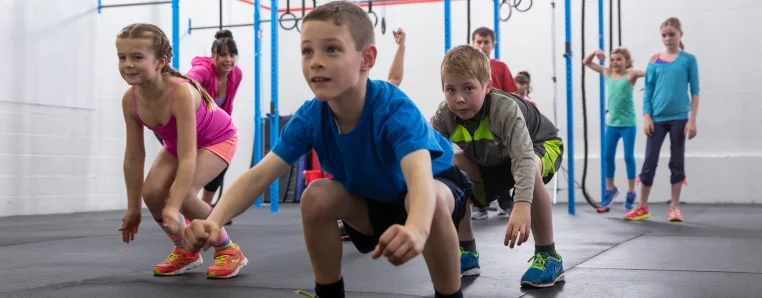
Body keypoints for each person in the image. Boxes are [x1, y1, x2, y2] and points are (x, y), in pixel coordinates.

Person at [182, 3, 472, 298]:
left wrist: (418, 229)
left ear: (366, 58)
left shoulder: (395, 109)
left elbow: (419, 177)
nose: (315, 62)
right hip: (373, 202)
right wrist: (213, 221)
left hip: (430, 194)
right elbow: (259, 176)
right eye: (307, 51)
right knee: (317, 195)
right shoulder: (310, 117)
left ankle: (449, 295)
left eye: (331, 49)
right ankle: (329, 293)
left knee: (429, 200)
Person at [115, 23, 247, 279]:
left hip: (218, 139)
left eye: (137, 57)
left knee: (184, 195)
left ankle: (228, 249)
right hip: (178, 145)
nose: (128, 64)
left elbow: (188, 157)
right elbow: (134, 156)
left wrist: (174, 206)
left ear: (160, 61)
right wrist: (133, 207)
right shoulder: (129, 100)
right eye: (122, 57)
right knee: (151, 193)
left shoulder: (180, 92)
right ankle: (185, 250)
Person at [431, 45, 565, 288]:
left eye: (468, 88)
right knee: (452, 165)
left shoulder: (504, 109)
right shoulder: (444, 116)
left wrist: (522, 204)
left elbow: (523, 158)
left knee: (530, 166)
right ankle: (467, 252)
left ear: (487, 87)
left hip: (539, 145)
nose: (459, 98)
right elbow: (427, 158)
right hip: (497, 159)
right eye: (451, 90)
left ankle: (549, 257)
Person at [624, 17, 699, 222]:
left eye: (671, 34)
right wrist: (646, 117)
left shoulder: (688, 60)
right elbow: (648, 90)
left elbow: (695, 91)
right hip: (656, 118)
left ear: (680, 35)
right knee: (649, 161)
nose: (667, 38)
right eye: (664, 35)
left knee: (677, 162)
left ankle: (674, 207)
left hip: (679, 119)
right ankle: (642, 207)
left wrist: (692, 120)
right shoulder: (654, 59)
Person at [583, 47, 645, 210]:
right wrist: (595, 52)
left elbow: (651, 73)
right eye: (612, 59)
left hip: (628, 124)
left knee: (628, 157)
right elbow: (586, 62)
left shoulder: (630, 75)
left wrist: (650, 87)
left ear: (627, 62)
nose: (615, 62)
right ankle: (610, 189)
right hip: (612, 125)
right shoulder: (607, 73)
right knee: (607, 156)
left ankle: (631, 192)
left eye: (618, 59)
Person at [470, 28, 519, 220]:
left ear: (493, 44)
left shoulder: (500, 67)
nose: (482, 46)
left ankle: (504, 202)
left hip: (498, 124)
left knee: (502, 161)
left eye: (486, 42)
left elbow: (512, 95)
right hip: (475, 124)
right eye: (479, 42)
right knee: (476, 162)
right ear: (473, 43)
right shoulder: (468, 67)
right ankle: (480, 205)